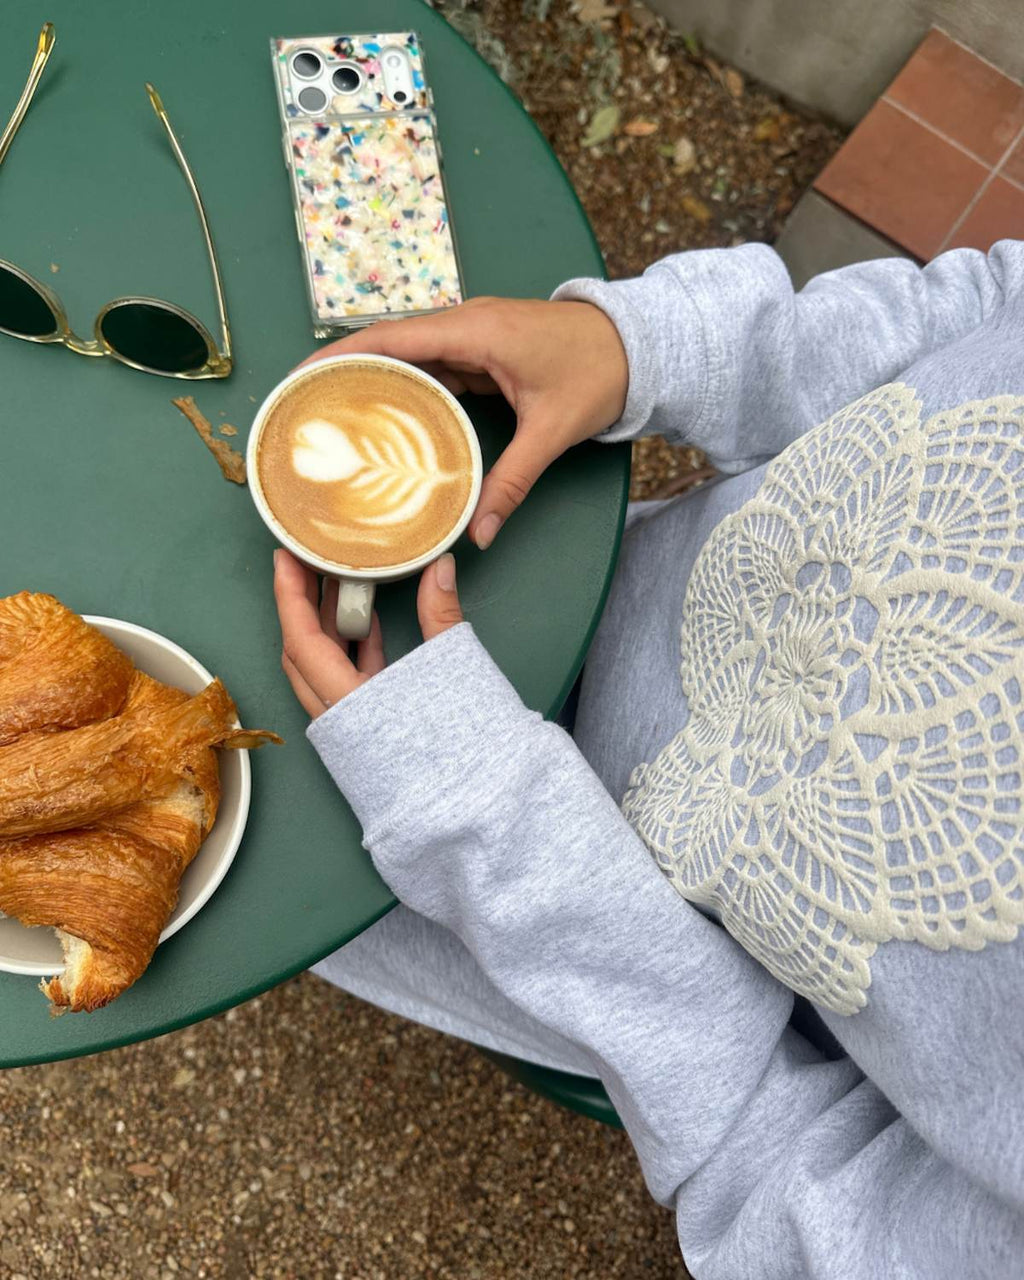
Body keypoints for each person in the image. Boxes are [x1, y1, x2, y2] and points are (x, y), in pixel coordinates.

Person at [272, 241, 1024, 1278]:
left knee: (249, 849)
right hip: (574, 577)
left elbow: (808, 1218)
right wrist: (650, 348)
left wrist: (473, 812)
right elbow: (988, 312)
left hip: (515, 892)